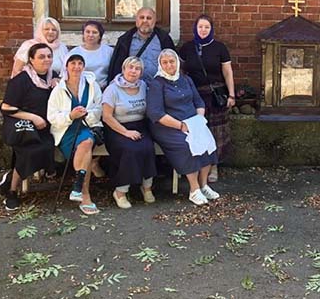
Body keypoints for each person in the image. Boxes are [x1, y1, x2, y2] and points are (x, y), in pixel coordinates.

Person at [147, 49, 219, 206]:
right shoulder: (157, 84)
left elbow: (198, 102)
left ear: (177, 63)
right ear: (160, 64)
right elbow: (156, 113)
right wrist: (180, 125)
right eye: (164, 62)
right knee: (187, 145)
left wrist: (199, 119)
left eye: (171, 61)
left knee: (208, 141)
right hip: (167, 127)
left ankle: (204, 185)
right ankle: (194, 190)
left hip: (192, 122)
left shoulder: (186, 79)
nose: (169, 65)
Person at [0, 43, 58, 211]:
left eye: (49, 56)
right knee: (28, 151)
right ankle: (12, 191)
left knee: (47, 147)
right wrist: (33, 117)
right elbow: (6, 107)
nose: (46, 60)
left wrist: (59, 85)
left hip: (44, 127)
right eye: (41, 56)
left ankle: (11, 178)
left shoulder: (54, 78)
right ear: (31, 60)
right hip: (23, 125)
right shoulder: (21, 80)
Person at [177, 15, 236, 183]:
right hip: (193, 96)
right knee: (196, 131)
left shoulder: (219, 48)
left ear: (211, 29)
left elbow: (227, 72)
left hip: (215, 96)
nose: (203, 30)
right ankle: (195, 165)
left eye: (207, 27)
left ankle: (213, 165)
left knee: (215, 132)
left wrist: (231, 94)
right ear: (195, 28)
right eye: (200, 27)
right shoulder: (187, 48)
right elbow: (180, 72)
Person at [47, 54, 103, 215]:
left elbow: (98, 109)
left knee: (86, 143)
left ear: (84, 67)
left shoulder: (92, 85)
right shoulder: (59, 89)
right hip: (66, 130)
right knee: (83, 151)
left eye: (80, 63)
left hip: (87, 126)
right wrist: (70, 116)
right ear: (66, 66)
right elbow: (51, 116)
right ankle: (80, 189)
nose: (76, 67)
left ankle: (82, 192)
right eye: (73, 63)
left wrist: (86, 114)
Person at [101, 57, 158, 209]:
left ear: (141, 72)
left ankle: (146, 187)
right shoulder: (112, 89)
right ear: (123, 69)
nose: (133, 71)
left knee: (147, 148)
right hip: (117, 127)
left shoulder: (143, 86)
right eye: (130, 67)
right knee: (130, 150)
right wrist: (125, 132)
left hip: (140, 125)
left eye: (137, 68)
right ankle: (120, 191)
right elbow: (106, 116)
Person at [108, 7, 175, 85]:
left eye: (149, 18)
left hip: (158, 88)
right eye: (142, 17)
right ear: (136, 20)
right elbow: (116, 67)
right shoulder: (125, 40)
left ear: (154, 21)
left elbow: (173, 65)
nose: (145, 21)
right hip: (132, 88)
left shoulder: (164, 39)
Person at [67, 20, 113, 89]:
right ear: (83, 34)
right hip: (82, 89)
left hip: (104, 89)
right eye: (87, 32)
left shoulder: (109, 51)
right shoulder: (74, 52)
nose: (90, 35)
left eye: (94, 32)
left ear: (100, 35)